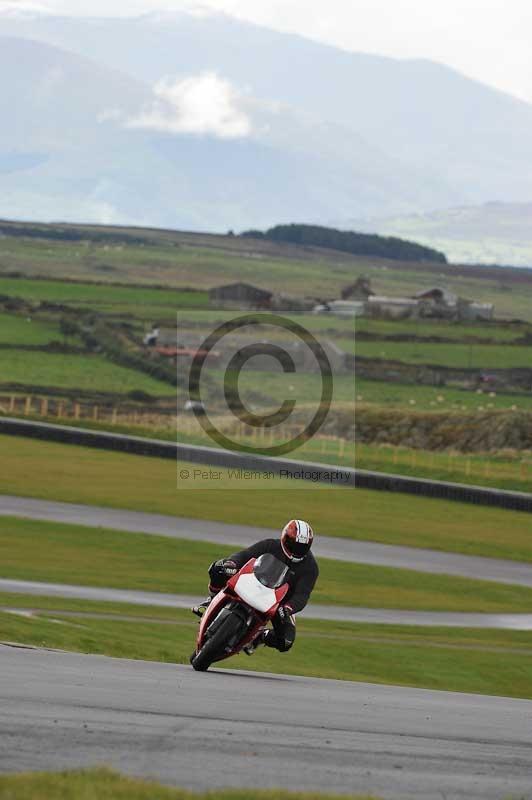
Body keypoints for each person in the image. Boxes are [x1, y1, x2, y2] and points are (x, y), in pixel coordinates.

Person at [192, 519, 318, 655]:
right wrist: (232, 563)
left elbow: (302, 595)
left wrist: (288, 608)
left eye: (301, 547)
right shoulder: (270, 545)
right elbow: (245, 555)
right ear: (284, 537)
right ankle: (211, 599)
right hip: (254, 582)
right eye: (293, 544)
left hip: (279, 603)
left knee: (286, 641)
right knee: (218, 568)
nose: (296, 550)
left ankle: (260, 637)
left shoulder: (311, 568)